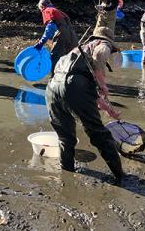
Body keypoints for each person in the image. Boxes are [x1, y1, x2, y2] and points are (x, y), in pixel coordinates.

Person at [45, 27, 124, 183]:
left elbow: (80, 91)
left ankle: (66, 173)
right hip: (74, 87)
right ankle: (120, 176)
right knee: (99, 134)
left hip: (52, 88)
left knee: (65, 137)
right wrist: (103, 83)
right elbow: (100, 55)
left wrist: (108, 108)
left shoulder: (77, 52)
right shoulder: (102, 44)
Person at [34, 0, 78, 75]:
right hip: (73, 36)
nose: (41, 11)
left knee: (54, 56)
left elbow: (50, 28)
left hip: (62, 34)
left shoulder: (47, 10)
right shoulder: (59, 12)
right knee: (71, 56)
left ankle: (53, 78)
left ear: (42, 6)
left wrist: (40, 43)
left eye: (40, 9)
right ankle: (71, 76)